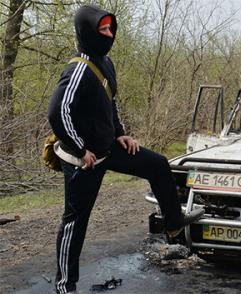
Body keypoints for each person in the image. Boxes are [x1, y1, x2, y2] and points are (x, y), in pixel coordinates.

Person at [47, 5, 204, 294]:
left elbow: (110, 104)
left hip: (108, 148)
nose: (109, 35)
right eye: (102, 30)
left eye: (111, 29)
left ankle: (174, 230)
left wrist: (121, 134)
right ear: (87, 32)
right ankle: (64, 286)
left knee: (158, 165)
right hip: (85, 161)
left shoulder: (105, 64)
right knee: (74, 222)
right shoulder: (78, 68)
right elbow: (58, 112)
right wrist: (81, 150)